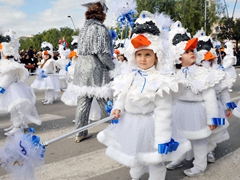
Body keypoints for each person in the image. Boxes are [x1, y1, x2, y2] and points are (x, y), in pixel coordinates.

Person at [97, 11, 191, 180]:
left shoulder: (161, 81)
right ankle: (136, 177)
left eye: (147, 54)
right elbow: (122, 95)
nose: (142, 59)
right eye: (139, 54)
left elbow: (164, 111)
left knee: (154, 161)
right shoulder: (129, 76)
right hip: (131, 123)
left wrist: (162, 138)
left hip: (151, 125)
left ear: (156, 56)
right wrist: (118, 108)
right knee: (135, 157)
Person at [165, 21, 223, 177]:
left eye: (193, 50)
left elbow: (210, 97)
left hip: (197, 110)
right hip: (179, 109)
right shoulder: (174, 74)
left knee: (199, 140)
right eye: (187, 51)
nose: (192, 52)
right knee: (179, 137)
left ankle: (199, 164)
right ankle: (178, 158)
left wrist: (212, 119)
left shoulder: (202, 72)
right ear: (177, 57)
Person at [72, 0, 115, 143]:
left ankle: (80, 132)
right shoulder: (100, 29)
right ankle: (119, 129)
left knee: (83, 103)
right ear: (101, 13)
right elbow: (103, 54)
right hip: (96, 70)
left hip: (81, 69)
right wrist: (113, 67)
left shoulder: (83, 29)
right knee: (106, 101)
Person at [194, 29, 236, 163]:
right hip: (198, 109)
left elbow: (224, 91)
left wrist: (227, 107)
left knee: (214, 132)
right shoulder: (194, 71)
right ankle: (198, 153)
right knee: (200, 132)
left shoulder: (218, 71)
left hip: (216, 107)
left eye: (210, 61)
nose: (207, 64)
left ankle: (210, 150)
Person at [0, 29, 42, 136]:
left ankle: (17, 126)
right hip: (10, 89)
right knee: (13, 109)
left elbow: (8, 78)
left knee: (16, 109)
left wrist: (2, 87)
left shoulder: (12, 64)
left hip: (13, 88)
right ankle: (15, 125)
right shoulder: (5, 63)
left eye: (3, 51)